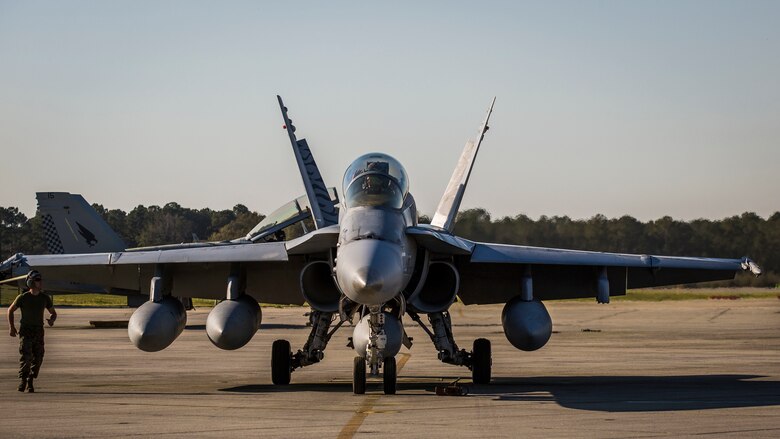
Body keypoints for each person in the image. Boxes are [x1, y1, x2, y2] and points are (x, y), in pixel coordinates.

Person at [7, 270, 57, 393]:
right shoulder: (23, 298)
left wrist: (51, 320)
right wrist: (12, 327)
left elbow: (53, 313)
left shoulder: (44, 298)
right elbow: (10, 310)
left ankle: (31, 378)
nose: (40, 282)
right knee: (26, 357)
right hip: (26, 331)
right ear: (30, 282)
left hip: (39, 331)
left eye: (40, 280)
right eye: (37, 280)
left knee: (39, 357)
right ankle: (23, 380)